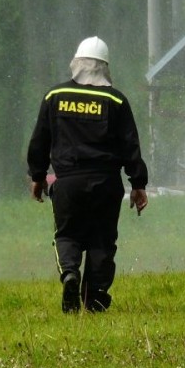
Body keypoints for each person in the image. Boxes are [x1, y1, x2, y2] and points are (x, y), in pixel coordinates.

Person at [27, 36, 150, 313]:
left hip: (68, 183)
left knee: (68, 235)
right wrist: (138, 184)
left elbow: (39, 141)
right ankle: (94, 297)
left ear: (76, 64)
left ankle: (70, 273)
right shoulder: (115, 99)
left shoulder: (54, 96)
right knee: (102, 240)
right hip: (106, 183)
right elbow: (130, 145)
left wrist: (37, 177)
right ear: (105, 68)